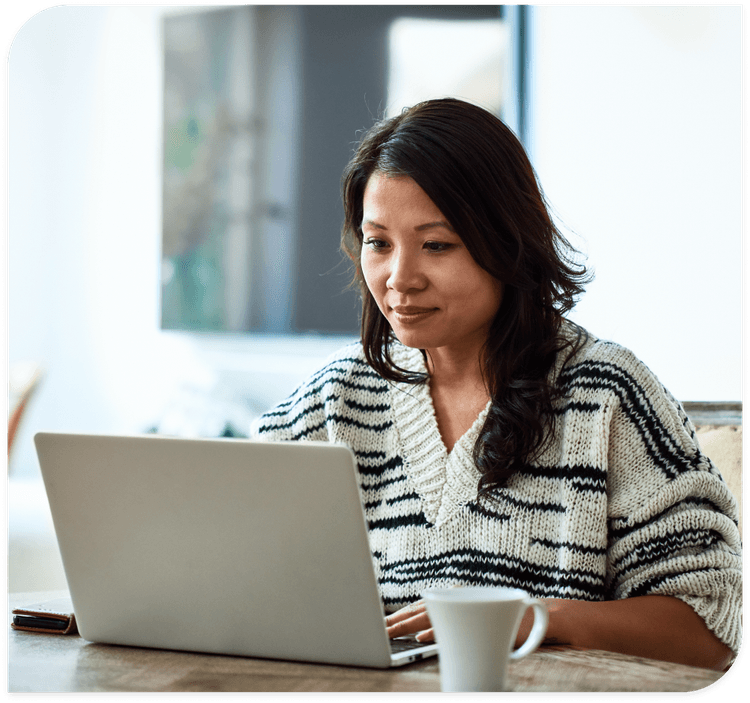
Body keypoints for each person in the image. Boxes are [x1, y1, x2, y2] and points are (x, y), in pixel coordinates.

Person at [251, 98, 741, 671]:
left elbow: (712, 625)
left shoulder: (608, 395)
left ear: (505, 243)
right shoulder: (333, 401)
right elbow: (234, 572)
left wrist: (533, 618)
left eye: (437, 244)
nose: (399, 278)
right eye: (378, 242)